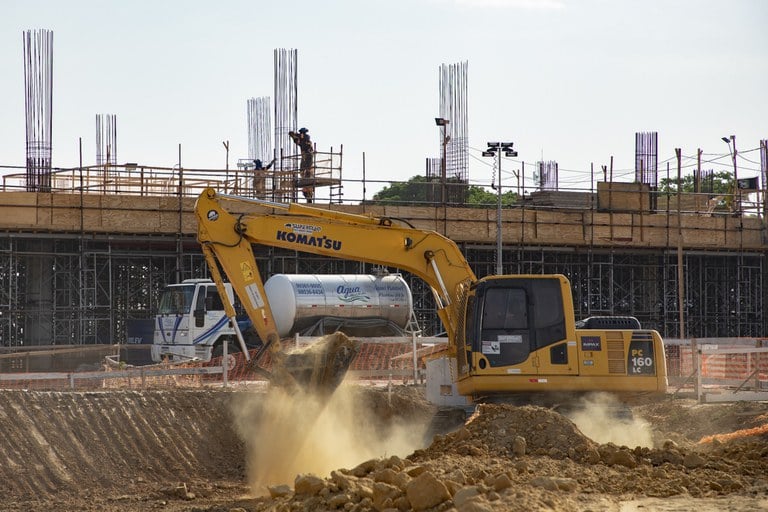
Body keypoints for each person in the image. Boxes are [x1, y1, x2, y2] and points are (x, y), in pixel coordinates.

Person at [288, 127, 315, 203]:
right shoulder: (303, 141)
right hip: (305, 156)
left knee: (307, 170)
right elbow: (297, 141)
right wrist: (293, 137)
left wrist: (295, 134)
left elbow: (301, 138)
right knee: (303, 171)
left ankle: (306, 174)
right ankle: (305, 175)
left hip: (308, 156)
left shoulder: (307, 138)